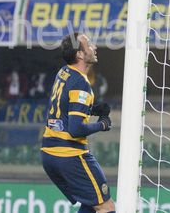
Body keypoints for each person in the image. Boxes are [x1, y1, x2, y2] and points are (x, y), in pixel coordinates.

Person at [41, 33, 115, 213]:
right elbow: (75, 129)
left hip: (49, 154)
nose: (94, 47)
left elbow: (66, 107)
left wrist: (93, 109)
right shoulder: (81, 83)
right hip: (69, 155)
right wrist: (103, 124)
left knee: (90, 204)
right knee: (106, 206)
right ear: (80, 54)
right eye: (89, 44)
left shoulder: (64, 72)